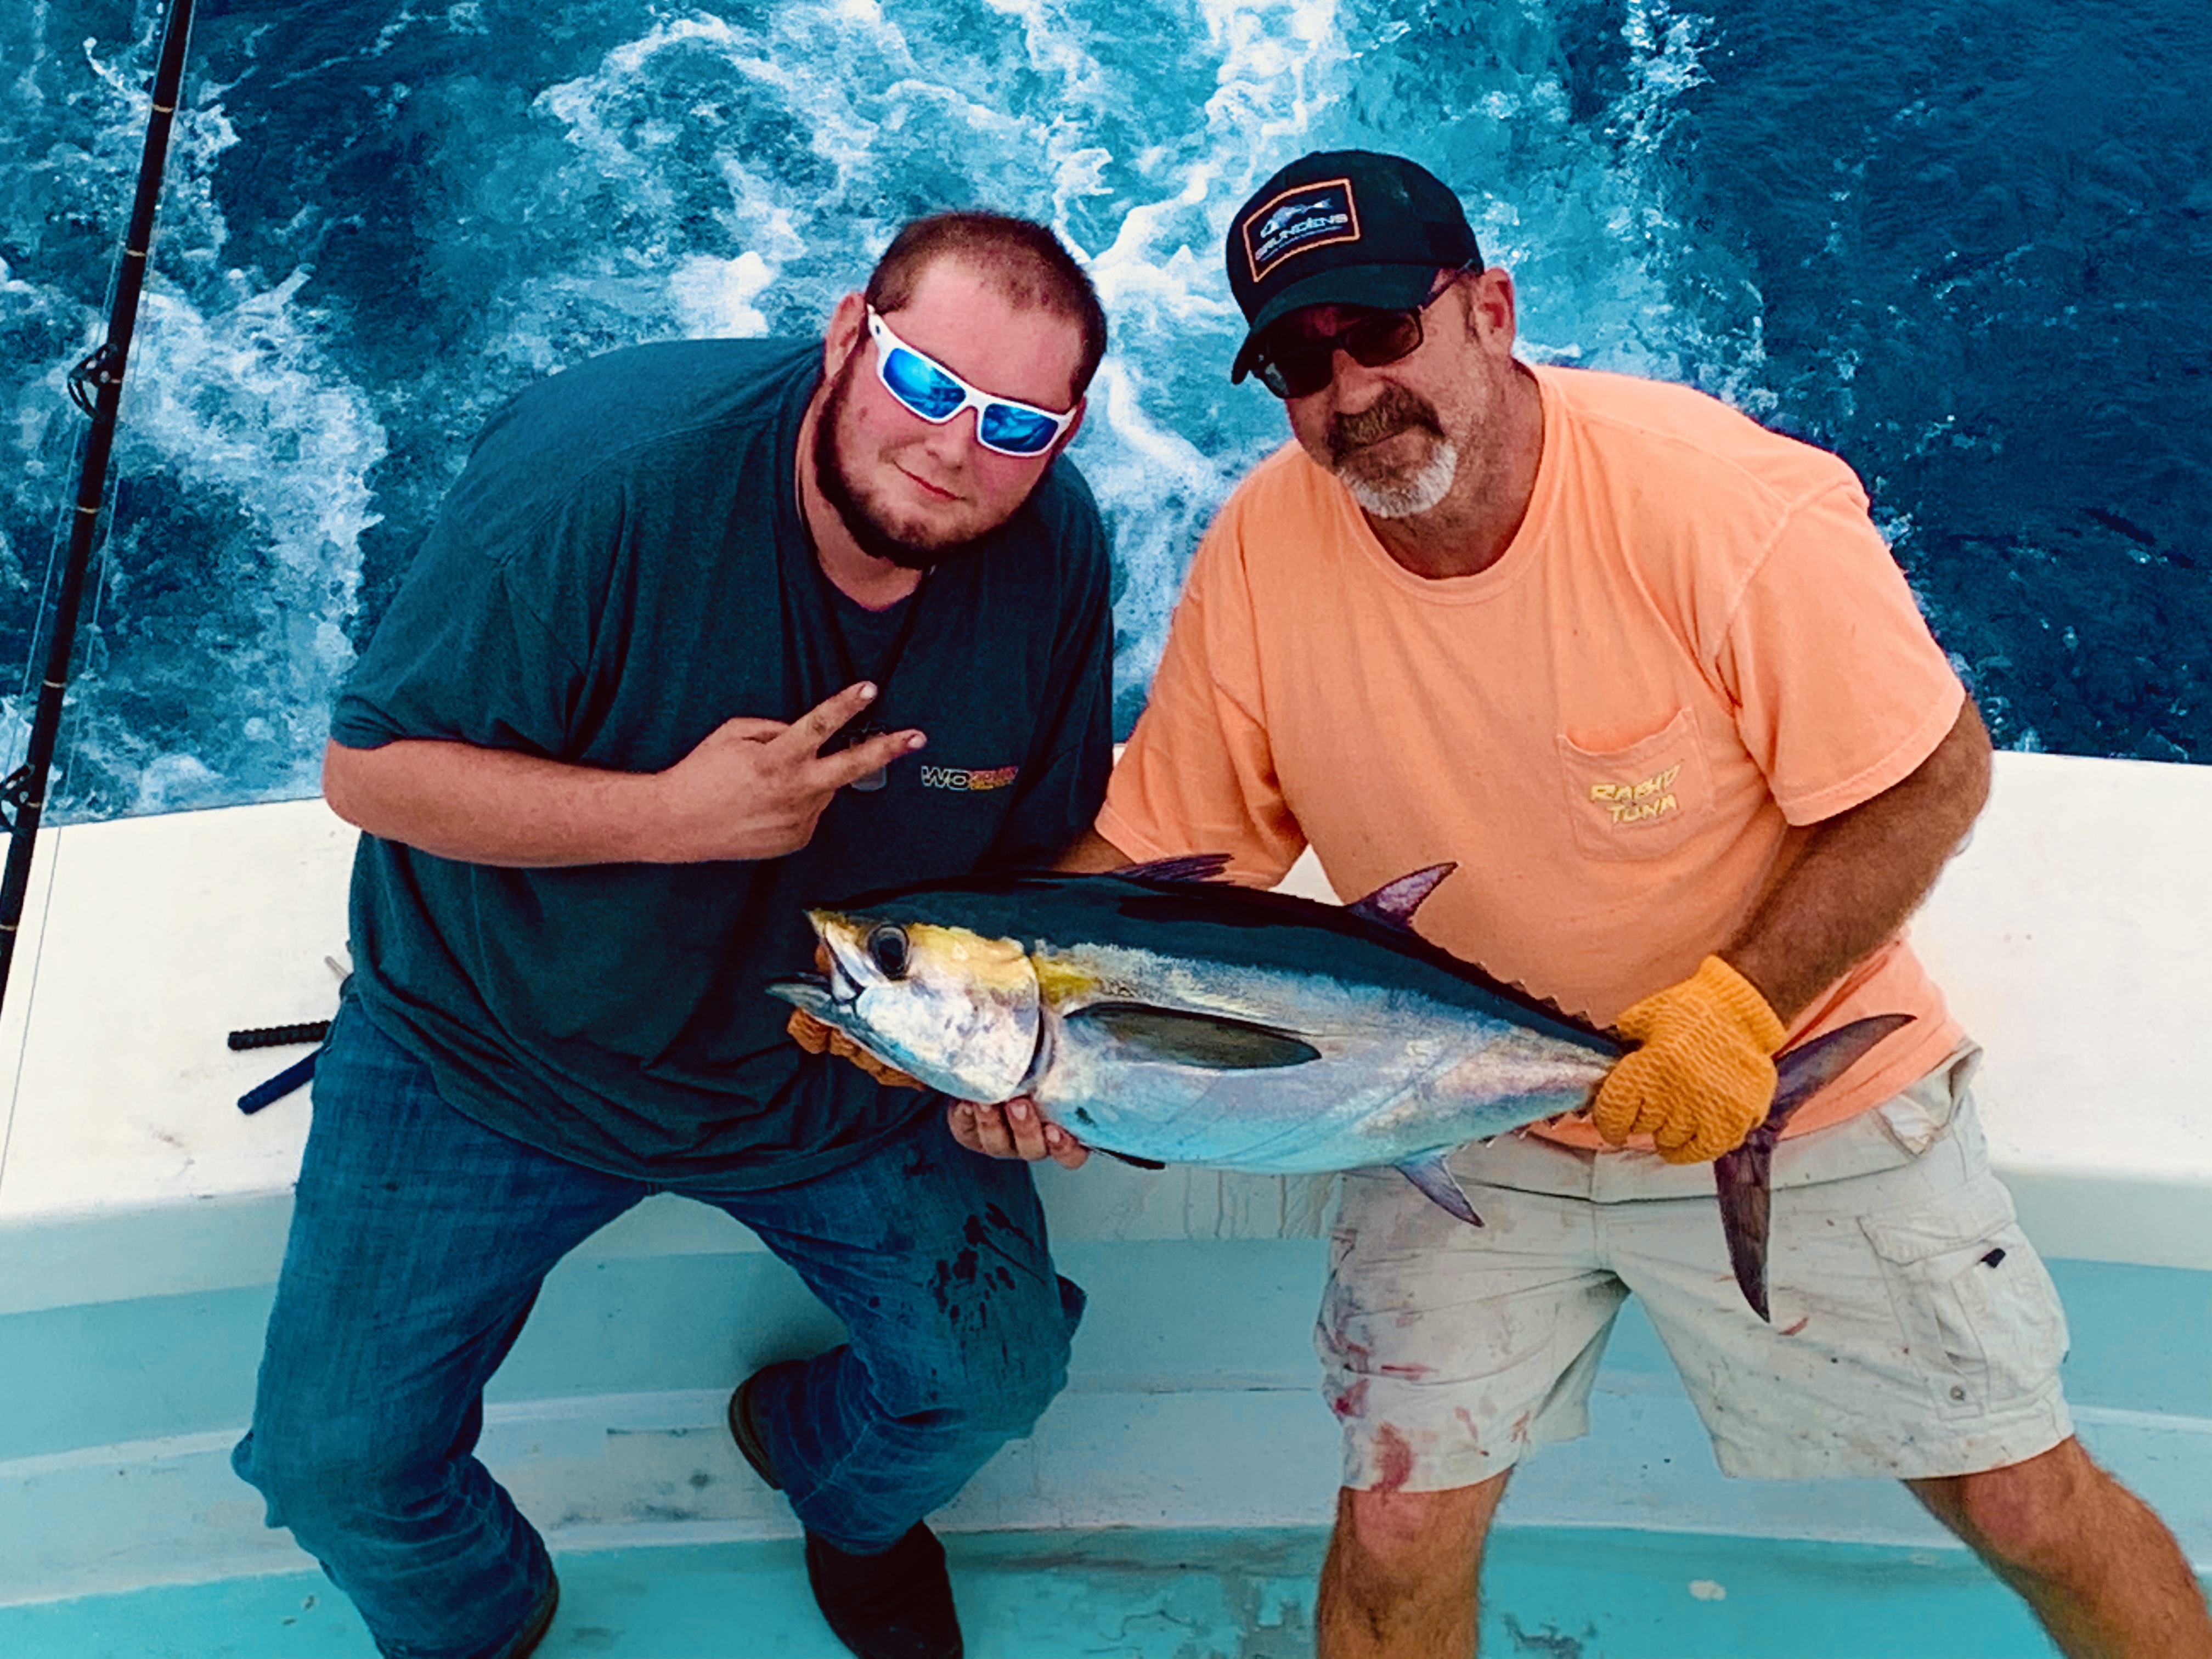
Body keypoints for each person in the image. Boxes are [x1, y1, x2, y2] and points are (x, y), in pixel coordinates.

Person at [952, 152, 2212, 1658]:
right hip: (1455, 1112)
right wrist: (970, 1004)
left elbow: (1930, 775)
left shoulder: (1722, 504)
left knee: (2022, 1500)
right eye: (1297, 360)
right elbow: (1169, 853)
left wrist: (1739, 1012)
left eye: (1379, 331)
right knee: (1398, 1530)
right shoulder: (1261, 552)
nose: (1350, 393)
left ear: (1489, 309)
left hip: (1796, 1082)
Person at [231, 210, 1117, 1659]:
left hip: (848, 1079)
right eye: (927, 384)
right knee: (335, 1468)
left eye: (1017, 421)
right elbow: (371, 773)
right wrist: (674, 815)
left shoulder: (1050, 554)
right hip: (488, 1050)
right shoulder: (604, 482)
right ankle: (489, 1621)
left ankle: (834, 1486)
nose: (957, 449)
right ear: (847, 339)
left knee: (990, 1381)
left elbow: (1039, 862)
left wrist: (1033, 1064)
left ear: (1065, 435)